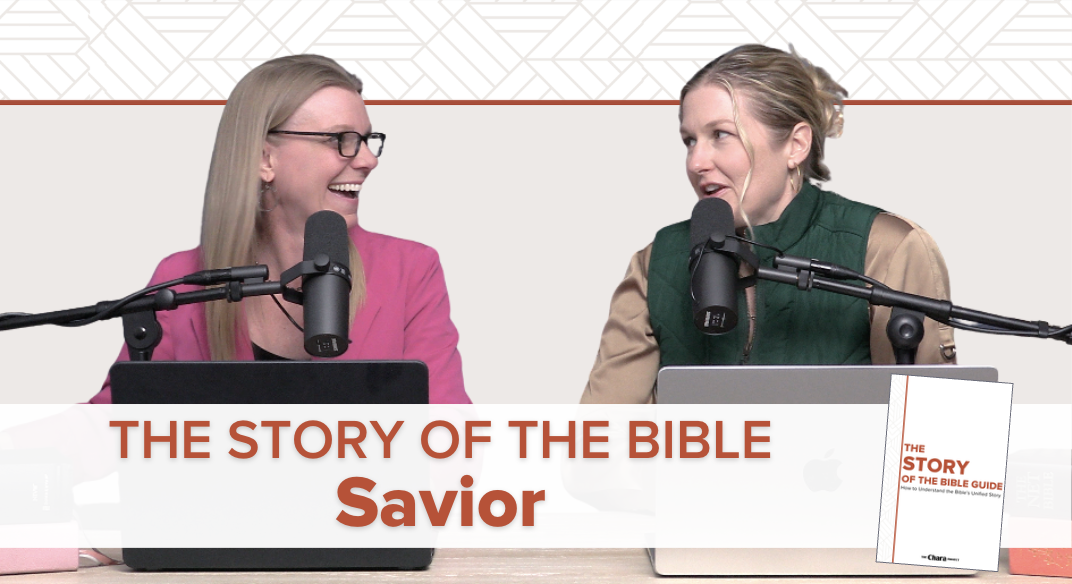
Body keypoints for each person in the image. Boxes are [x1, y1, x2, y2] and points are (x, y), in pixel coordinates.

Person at [581, 44, 956, 405]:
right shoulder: (657, 262)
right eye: (689, 141)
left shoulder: (887, 247)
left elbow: (937, 448)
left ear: (796, 145)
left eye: (721, 135)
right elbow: (600, 440)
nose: (696, 162)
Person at [88, 54, 469, 404]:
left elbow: (451, 440)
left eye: (367, 140)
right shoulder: (181, 280)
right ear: (264, 159)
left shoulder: (411, 270)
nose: (368, 160)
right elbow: (107, 425)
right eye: (342, 140)